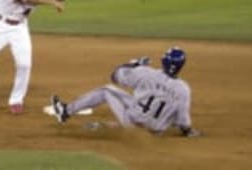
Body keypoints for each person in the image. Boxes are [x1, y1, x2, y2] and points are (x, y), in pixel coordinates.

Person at [51, 47, 201, 137]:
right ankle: (105, 127)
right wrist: (187, 131)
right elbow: (183, 120)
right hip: (156, 131)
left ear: (164, 62)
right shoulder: (183, 89)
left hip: (133, 121)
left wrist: (134, 64)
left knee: (106, 90)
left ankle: (66, 111)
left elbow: (115, 75)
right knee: (169, 109)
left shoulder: (145, 73)